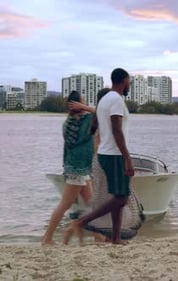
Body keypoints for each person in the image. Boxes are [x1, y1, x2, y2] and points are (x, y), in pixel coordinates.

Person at [64, 68, 134, 245]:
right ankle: (82, 222)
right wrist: (127, 157)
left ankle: (116, 238)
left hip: (105, 153)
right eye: (129, 81)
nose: (130, 84)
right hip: (114, 154)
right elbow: (117, 129)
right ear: (123, 81)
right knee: (121, 198)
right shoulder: (116, 100)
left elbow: (101, 126)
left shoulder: (105, 100)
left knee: (117, 198)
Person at [41, 91, 95, 245]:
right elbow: (102, 113)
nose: (84, 104)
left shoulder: (68, 123)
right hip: (77, 169)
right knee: (65, 204)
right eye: (82, 102)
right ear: (78, 104)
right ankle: (47, 238)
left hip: (79, 168)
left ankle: (97, 237)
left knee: (91, 204)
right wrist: (85, 107)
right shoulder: (86, 120)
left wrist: (81, 106)